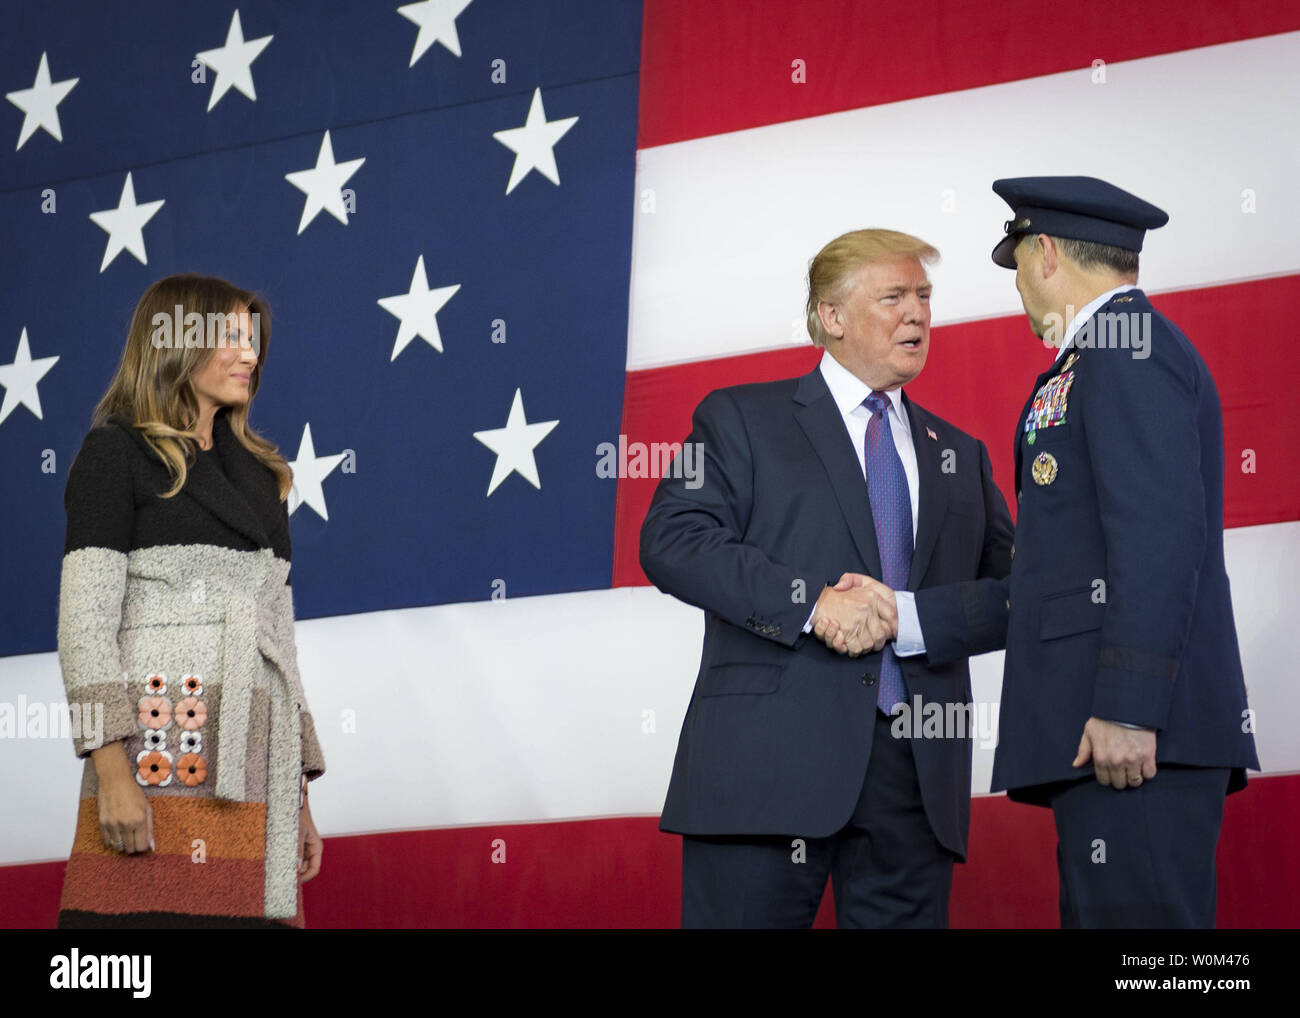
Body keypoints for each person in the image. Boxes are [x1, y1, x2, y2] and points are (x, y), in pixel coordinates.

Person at [854, 177, 1260, 927]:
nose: (1018, 292)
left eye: (1015, 267)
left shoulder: (1124, 349)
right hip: (1112, 732)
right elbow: (1056, 572)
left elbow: (1159, 538)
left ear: (1043, 253)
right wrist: (907, 618)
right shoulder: (1102, 354)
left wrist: (1131, 709)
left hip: (1137, 735)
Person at [639, 228, 1013, 927]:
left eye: (925, 297)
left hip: (915, 785)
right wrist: (810, 604)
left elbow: (1022, 598)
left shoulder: (961, 454)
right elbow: (672, 540)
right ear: (830, 316)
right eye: (894, 297)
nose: (918, 315)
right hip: (765, 774)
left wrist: (910, 618)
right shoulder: (740, 419)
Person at [55, 273, 327, 928]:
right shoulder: (115, 453)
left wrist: (298, 797)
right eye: (231, 338)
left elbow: (280, 643)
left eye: (253, 341)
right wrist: (113, 773)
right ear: (174, 343)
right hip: (157, 758)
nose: (250, 355)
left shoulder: (265, 477)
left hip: (256, 769)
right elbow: (85, 623)